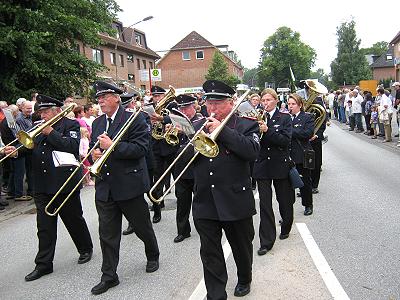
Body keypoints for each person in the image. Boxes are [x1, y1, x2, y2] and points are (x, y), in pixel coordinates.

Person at [4, 94, 93, 281]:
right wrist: (14, 152)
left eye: (45, 112)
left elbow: (71, 146)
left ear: (57, 111)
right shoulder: (36, 127)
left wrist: (51, 132)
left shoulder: (71, 125)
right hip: (42, 185)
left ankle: (85, 248)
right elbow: (28, 147)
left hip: (65, 183)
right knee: (44, 226)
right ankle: (44, 264)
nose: (42, 116)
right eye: (41, 112)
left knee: (73, 219)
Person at [191, 80, 260, 299]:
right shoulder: (198, 126)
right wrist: (185, 144)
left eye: (217, 104)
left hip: (235, 199)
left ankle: (244, 277)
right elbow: (185, 163)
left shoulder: (246, 125)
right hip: (205, 200)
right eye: (209, 104)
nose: (212, 109)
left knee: (241, 246)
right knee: (210, 253)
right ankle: (216, 294)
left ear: (231, 103)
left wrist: (221, 132)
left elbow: (251, 152)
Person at [89, 81, 159, 295]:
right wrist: (95, 155)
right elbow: (95, 147)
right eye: (98, 98)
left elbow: (141, 149)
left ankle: (153, 254)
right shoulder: (98, 123)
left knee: (141, 227)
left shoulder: (134, 119)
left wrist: (113, 147)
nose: (100, 101)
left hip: (129, 184)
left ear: (117, 97)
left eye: (104, 97)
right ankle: (109, 276)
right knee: (107, 234)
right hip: (106, 186)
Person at [252, 88, 294, 256]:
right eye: (263, 100)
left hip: (279, 164)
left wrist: (268, 131)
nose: (265, 103)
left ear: (276, 101)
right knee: (265, 205)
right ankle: (266, 241)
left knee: (284, 200)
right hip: (262, 166)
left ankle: (286, 226)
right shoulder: (256, 117)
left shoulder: (284, 118)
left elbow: (285, 141)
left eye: (269, 100)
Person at [169, 94, 205, 243]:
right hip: (181, 169)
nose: (183, 110)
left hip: (196, 168)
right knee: (182, 202)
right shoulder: (177, 121)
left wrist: (184, 130)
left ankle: (203, 228)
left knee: (199, 203)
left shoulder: (201, 120)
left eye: (186, 107)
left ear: (193, 107)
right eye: (181, 108)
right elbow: (172, 146)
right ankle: (183, 231)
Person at [148, 85, 178, 223]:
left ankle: (182, 200)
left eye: (159, 95)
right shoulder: (149, 108)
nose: (157, 98)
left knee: (177, 176)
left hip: (171, 145)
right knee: (157, 178)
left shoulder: (172, 106)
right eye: (155, 96)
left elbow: (177, 118)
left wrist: (162, 119)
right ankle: (158, 206)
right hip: (156, 146)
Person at [287, 94, 314, 215]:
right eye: (289, 104)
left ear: (300, 105)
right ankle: (287, 212)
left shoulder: (307, 117)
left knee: (305, 183)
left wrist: (289, 131)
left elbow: (308, 133)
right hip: (287, 155)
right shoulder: (286, 117)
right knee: (287, 187)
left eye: (293, 104)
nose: (290, 106)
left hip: (301, 154)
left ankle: (308, 205)